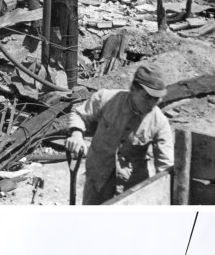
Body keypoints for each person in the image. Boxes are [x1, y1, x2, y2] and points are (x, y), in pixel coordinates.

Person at [65, 63, 174, 204]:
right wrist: (76, 135)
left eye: (157, 98)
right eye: (148, 97)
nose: (153, 103)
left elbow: (166, 166)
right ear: (133, 89)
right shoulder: (106, 99)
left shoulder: (159, 122)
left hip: (131, 189)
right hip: (98, 178)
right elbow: (79, 114)